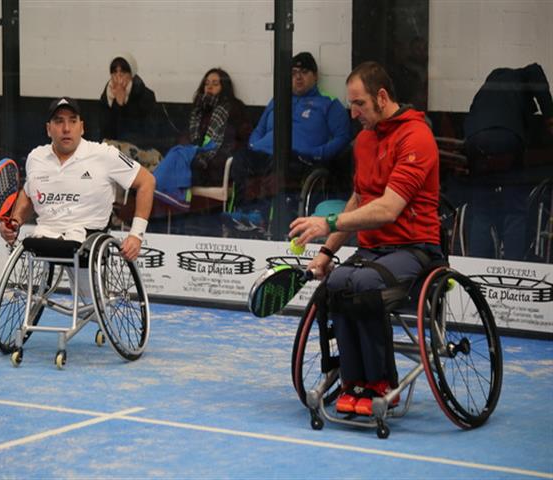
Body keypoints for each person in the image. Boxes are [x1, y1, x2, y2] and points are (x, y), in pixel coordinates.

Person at [289, 61, 441, 416]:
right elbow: (359, 201)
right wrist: (327, 253)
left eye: (359, 104)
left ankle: (381, 382)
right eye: (350, 104)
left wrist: (327, 222)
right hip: (375, 250)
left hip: (415, 249)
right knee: (338, 281)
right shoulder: (364, 141)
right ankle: (353, 381)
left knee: (364, 283)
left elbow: (387, 209)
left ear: (382, 97)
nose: (353, 112)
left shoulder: (416, 136)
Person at [0, 97, 155, 262]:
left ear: (81, 127)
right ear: (48, 129)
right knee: (29, 283)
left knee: (84, 289)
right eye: (59, 122)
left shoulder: (105, 154)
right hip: (44, 235)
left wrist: (136, 234)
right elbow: (29, 193)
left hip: (87, 239)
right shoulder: (36, 157)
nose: (66, 129)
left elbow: (147, 181)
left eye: (72, 121)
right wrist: (15, 222)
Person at [222, 51, 352, 235]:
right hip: (262, 153)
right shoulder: (278, 101)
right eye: (293, 73)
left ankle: (261, 216)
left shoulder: (328, 104)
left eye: (304, 72)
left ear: (315, 76)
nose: (298, 77)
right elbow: (259, 129)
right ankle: (243, 212)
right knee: (240, 158)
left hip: (298, 158)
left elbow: (343, 137)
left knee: (277, 161)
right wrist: (254, 145)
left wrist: (318, 152)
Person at [452, 63, 553, 260]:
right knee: (514, 210)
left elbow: (469, 125)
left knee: (481, 211)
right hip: (506, 138)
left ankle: (476, 271)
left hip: (476, 141)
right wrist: (550, 115)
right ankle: (513, 269)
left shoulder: (487, 91)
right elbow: (536, 70)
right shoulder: (521, 76)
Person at [152, 67, 250, 210]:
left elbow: (235, 141)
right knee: (175, 154)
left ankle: (162, 197)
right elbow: (187, 136)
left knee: (173, 166)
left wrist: (203, 155)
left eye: (215, 84)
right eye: (207, 83)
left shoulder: (232, 109)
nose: (209, 87)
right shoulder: (198, 110)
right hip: (196, 160)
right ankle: (160, 196)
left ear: (224, 88)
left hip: (215, 165)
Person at [99, 55, 161, 169]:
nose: (118, 76)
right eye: (114, 72)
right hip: (114, 148)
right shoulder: (106, 97)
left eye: (123, 72)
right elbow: (106, 132)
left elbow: (149, 133)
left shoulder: (146, 96)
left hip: (140, 148)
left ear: (131, 74)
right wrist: (117, 104)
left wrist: (123, 105)